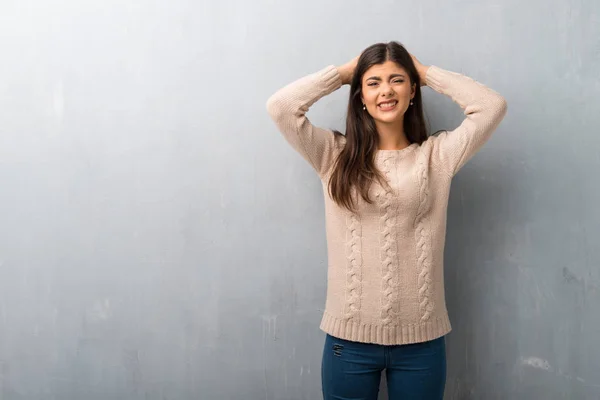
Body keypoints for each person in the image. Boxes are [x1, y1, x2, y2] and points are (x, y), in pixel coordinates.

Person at [266, 41, 507, 400]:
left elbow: (491, 107)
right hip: (348, 341)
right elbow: (282, 108)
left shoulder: (436, 157)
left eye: (397, 80)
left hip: (421, 341)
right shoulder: (333, 155)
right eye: (373, 82)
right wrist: (345, 73)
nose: (386, 90)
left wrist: (425, 73)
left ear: (412, 91)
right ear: (360, 96)